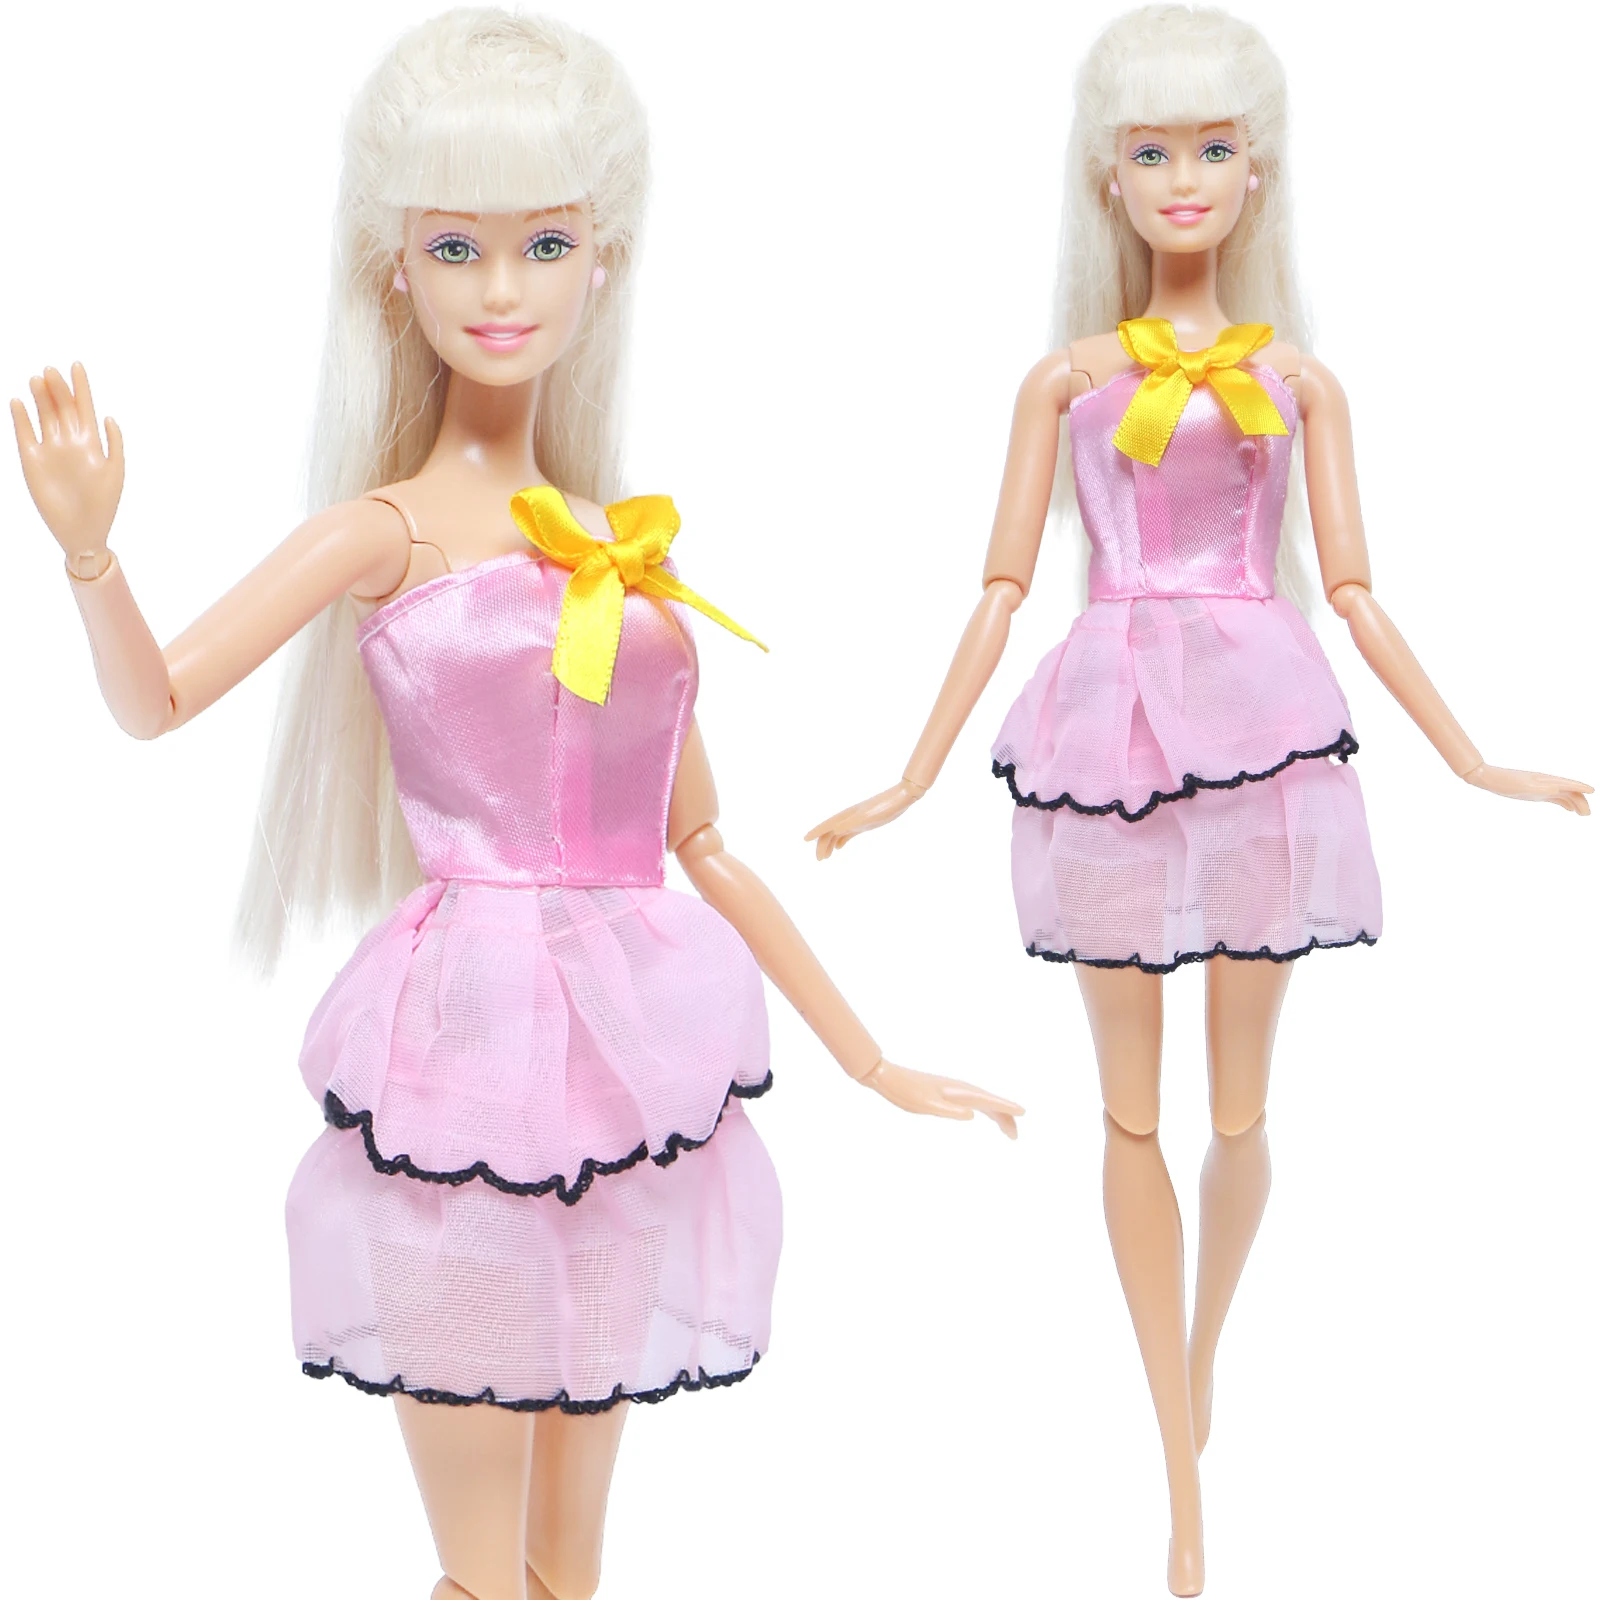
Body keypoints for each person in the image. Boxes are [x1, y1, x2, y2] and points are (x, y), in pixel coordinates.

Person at [10, 12, 1021, 1600]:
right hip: (466, 1063)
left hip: (625, 1071)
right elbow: (157, 704)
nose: (502, 289)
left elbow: (699, 842)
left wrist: (873, 1059)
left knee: (566, 1568)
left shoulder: (619, 541)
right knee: (482, 1570)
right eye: (457, 247)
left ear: (601, 263)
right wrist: (90, 553)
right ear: (393, 272)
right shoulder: (385, 532)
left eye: (543, 244)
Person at [804, 7, 1590, 1594]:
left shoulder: (1298, 382)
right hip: (1106, 737)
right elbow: (999, 588)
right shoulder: (1065, 382)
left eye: (1212, 148)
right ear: (1107, 175)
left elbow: (1354, 591)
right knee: (1131, 1113)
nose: (1183, 178)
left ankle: (1203, 1354)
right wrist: (909, 773)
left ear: (1256, 172)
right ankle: (1181, 1479)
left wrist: (1473, 758)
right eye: (1152, 150)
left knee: (1239, 1112)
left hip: (1265, 728)